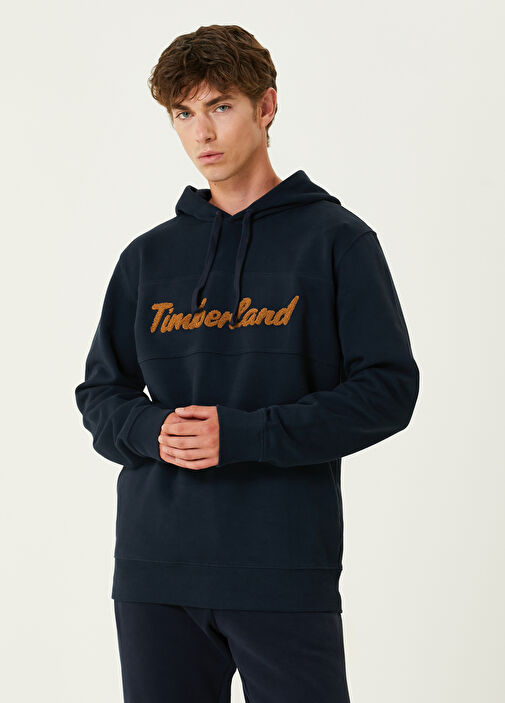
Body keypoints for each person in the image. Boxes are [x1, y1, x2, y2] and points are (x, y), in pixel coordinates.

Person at [75, 23, 420, 703]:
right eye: (183, 114)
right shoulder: (147, 257)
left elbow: (388, 390)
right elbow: (101, 392)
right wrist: (150, 430)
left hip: (280, 567)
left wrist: (244, 434)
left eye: (220, 106)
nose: (202, 133)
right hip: (155, 571)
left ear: (266, 107)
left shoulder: (337, 242)